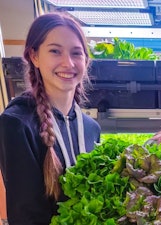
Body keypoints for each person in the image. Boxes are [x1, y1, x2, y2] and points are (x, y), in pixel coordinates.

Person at [0, 13, 101, 225]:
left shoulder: (91, 128)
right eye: (55, 51)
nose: (68, 63)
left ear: (86, 60)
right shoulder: (17, 124)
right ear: (34, 56)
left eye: (76, 53)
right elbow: (26, 217)